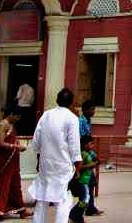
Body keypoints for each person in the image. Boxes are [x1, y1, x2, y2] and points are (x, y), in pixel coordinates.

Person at [30, 88, 81, 223]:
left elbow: (36, 141)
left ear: (57, 100)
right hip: (63, 165)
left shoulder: (46, 115)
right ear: (71, 103)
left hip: (45, 164)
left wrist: (39, 157)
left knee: (42, 199)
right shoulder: (72, 118)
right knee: (63, 200)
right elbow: (74, 146)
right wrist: (78, 166)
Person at [76, 102, 100, 216]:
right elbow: (83, 141)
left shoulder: (87, 121)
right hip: (84, 157)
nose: (93, 112)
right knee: (85, 190)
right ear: (85, 110)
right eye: (92, 109)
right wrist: (92, 157)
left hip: (87, 157)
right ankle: (78, 212)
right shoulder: (81, 122)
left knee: (90, 186)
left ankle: (89, 208)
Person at [68, 136, 97, 222]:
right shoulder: (82, 154)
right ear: (84, 145)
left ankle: (78, 217)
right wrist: (90, 165)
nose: (92, 146)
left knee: (85, 199)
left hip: (87, 180)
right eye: (90, 144)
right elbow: (78, 167)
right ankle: (74, 215)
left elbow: (96, 161)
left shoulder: (89, 153)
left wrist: (94, 163)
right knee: (84, 200)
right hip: (81, 181)